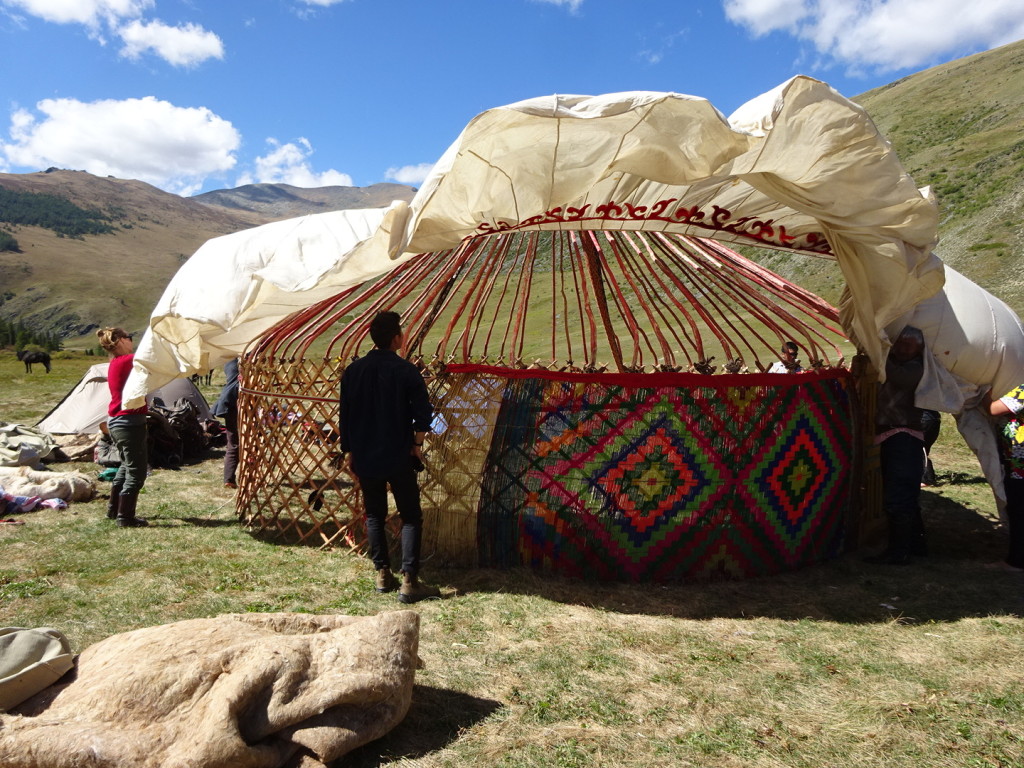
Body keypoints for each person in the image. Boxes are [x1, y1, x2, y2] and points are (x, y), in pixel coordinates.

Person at [339, 311, 440, 603]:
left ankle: (382, 573)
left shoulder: (353, 371)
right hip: (398, 453)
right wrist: (417, 443)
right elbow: (423, 413)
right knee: (410, 515)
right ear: (396, 338)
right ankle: (409, 581)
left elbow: (344, 414)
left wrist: (349, 449)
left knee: (374, 513)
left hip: (365, 454)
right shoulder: (406, 371)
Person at [866, 326, 927, 564]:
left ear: (919, 348)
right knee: (905, 494)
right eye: (899, 343)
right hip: (896, 436)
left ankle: (898, 552)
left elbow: (897, 376)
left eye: (907, 345)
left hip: (904, 437)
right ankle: (917, 546)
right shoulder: (900, 363)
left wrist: (878, 352)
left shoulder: (916, 368)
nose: (901, 348)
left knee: (898, 495)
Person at [97, 327, 148, 528]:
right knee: (136, 473)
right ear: (119, 341)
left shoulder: (116, 362)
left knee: (125, 466)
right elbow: (151, 358)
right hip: (129, 423)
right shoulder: (128, 360)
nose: (132, 340)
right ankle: (125, 517)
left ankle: (114, 509)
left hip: (118, 422)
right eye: (130, 337)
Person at [986, 385, 1024, 571]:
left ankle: (1016, 561)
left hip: (1020, 463)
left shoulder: (1022, 390)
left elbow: (994, 409)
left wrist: (985, 393)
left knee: (1018, 510)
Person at [211, 358, 240, 488]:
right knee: (235, 442)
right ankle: (229, 479)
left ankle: (229, 479)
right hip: (235, 402)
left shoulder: (230, 359)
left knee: (233, 442)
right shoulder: (242, 361)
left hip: (230, 401)